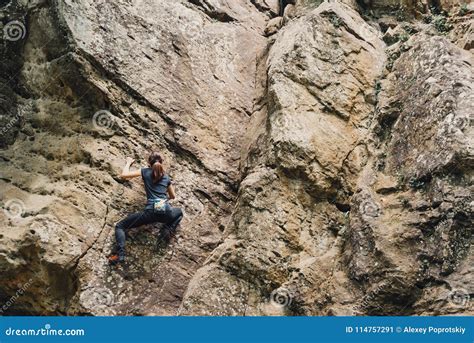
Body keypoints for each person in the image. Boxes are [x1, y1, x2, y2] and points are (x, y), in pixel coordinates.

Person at [108, 152, 183, 264]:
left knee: (120, 226)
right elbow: (173, 196)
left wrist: (128, 162)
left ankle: (121, 255)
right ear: (161, 163)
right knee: (179, 212)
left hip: (151, 212)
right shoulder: (166, 177)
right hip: (166, 211)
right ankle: (168, 229)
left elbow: (124, 175)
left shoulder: (145, 171)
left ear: (149, 163)